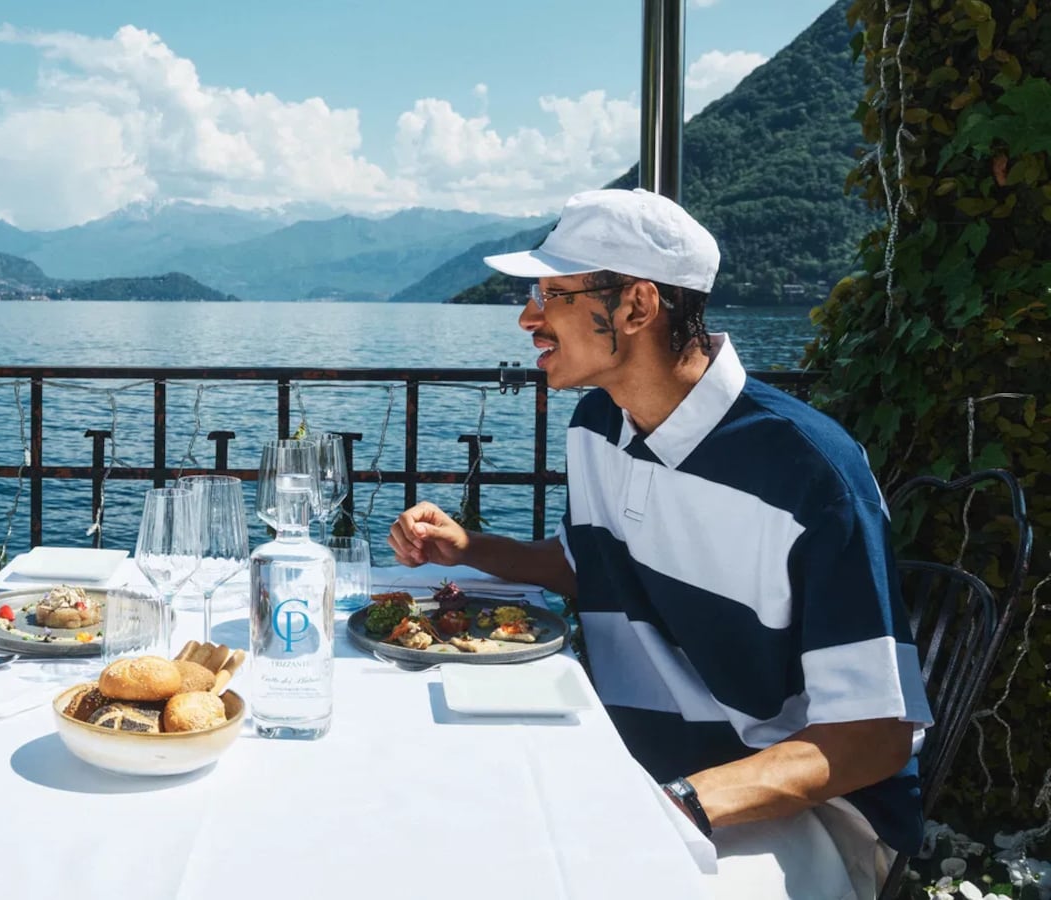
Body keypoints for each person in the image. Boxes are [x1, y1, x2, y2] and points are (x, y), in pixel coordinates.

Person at [387, 189, 931, 900]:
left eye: (551, 294)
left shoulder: (810, 475)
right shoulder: (599, 424)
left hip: (806, 811)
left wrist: (675, 803)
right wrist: (469, 547)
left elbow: (872, 736)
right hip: (635, 762)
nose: (527, 317)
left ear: (637, 307)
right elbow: (590, 567)